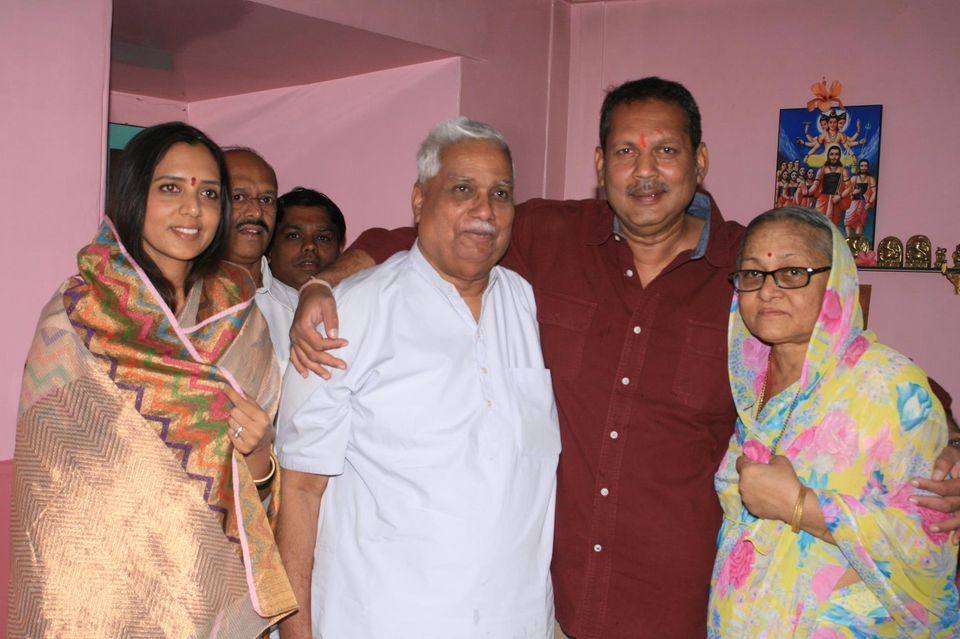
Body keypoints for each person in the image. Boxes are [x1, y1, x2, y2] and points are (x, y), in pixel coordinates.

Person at [290, 77, 741, 638]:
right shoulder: (553, 239)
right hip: (547, 611)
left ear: (699, 161)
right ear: (600, 165)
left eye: (665, 150)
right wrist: (321, 286)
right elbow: (424, 237)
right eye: (626, 151)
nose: (644, 171)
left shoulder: (750, 277)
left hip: (672, 610)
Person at [274, 117, 560, 638]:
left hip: (515, 622)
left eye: (500, 192)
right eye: (461, 189)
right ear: (419, 201)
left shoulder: (523, 302)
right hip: (381, 620)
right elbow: (299, 490)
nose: (484, 210)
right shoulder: (345, 318)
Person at [9, 122, 296, 636]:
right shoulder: (76, 315)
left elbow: (257, 477)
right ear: (133, 195)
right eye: (171, 188)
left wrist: (257, 455)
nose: (193, 209)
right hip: (97, 590)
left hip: (206, 586)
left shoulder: (240, 316)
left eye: (209, 193)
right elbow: (51, 483)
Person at [711, 206, 958, 637]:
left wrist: (799, 505)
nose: (767, 291)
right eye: (752, 274)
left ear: (836, 280)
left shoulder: (889, 386)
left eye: (792, 272)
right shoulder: (749, 385)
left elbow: (928, 543)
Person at [842, 158, 876, 237]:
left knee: (860, 222)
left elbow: (874, 192)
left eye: (865, 166)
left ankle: (857, 241)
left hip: (863, 204)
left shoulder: (871, 179)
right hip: (852, 203)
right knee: (847, 221)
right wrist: (854, 192)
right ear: (859, 167)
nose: (864, 168)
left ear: (868, 167)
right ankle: (848, 238)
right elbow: (848, 191)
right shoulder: (854, 178)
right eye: (862, 166)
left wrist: (870, 202)